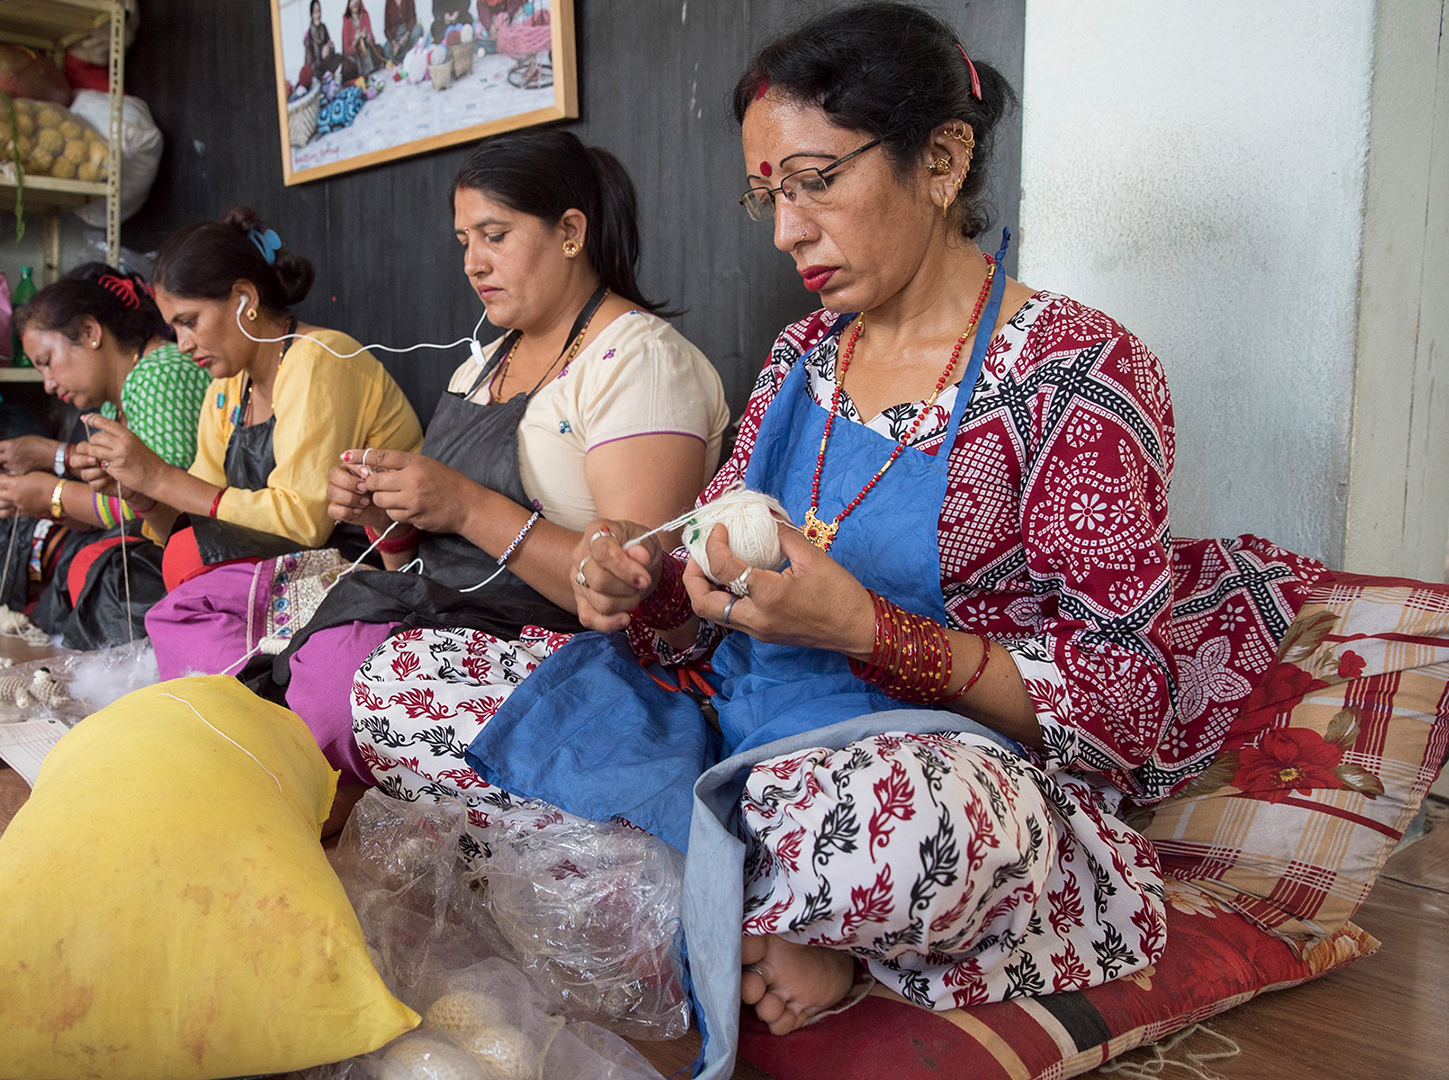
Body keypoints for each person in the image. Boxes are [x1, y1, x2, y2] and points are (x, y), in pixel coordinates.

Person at [354, 4, 1329, 1073]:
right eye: (769, 194)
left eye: (817, 181)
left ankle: (710, 904)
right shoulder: (799, 362)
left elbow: (1125, 705)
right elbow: (686, 609)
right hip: (734, 734)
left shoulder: (1075, 376)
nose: (786, 230)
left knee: (908, 828)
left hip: (912, 760)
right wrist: (638, 576)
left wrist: (870, 631)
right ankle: (770, 915)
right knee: (408, 682)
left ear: (943, 158)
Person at [147, 129, 729, 804]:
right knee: (199, 609)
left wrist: (465, 505)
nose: (473, 264)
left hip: (571, 652)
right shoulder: (482, 364)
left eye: (495, 235)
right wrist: (383, 518)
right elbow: (415, 568)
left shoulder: (638, 362)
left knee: (332, 685)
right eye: (463, 243)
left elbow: (635, 601)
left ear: (571, 232)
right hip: (451, 611)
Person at [81, 205, 421, 593]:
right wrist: (143, 492)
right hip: (288, 566)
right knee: (132, 563)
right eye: (174, 328)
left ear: (245, 298)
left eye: (189, 322)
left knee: (188, 561)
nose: (183, 345)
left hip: (376, 566)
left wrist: (161, 476)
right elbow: (193, 525)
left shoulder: (318, 358)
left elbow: (303, 524)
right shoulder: (228, 387)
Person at [0, 262, 202, 647]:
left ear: (89, 331)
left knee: (97, 568)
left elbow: (159, 504)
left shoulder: (159, 374)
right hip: (172, 552)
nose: (48, 385)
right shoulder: (120, 402)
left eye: (47, 362)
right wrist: (39, 498)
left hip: (198, 555)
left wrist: (52, 494)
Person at [300, 0, 342, 89]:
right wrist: (321, 57)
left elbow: (332, 53)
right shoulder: (308, 36)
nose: (318, 15)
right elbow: (310, 66)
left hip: (327, 65)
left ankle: (330, 76)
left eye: (319, 11)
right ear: (311, 14)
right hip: (317, 69)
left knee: (340, 58)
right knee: (315, 77)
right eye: (315, 12)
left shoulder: (323, 27)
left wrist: (331, 47)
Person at [342, 0, 387, 78]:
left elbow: (372, 40)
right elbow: (346, 50)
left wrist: (367, 37)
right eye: (352, 1)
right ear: (349, 5)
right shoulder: (347, 22)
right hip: (355, 55)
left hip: (367, 50)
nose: (355, 3)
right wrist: (355, 40)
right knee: (348, 68)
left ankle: (370, 69)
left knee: (380, 50)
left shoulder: (365, 16)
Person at [383, 0, 424, 65]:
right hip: (396, 36)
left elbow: (413, 18)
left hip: (408, 32)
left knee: (418, 29)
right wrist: (394, 43)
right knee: (386, 49)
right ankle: (399, 63)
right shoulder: (389, 2)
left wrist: (406, 35)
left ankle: (412, 56)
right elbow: (387, 29)